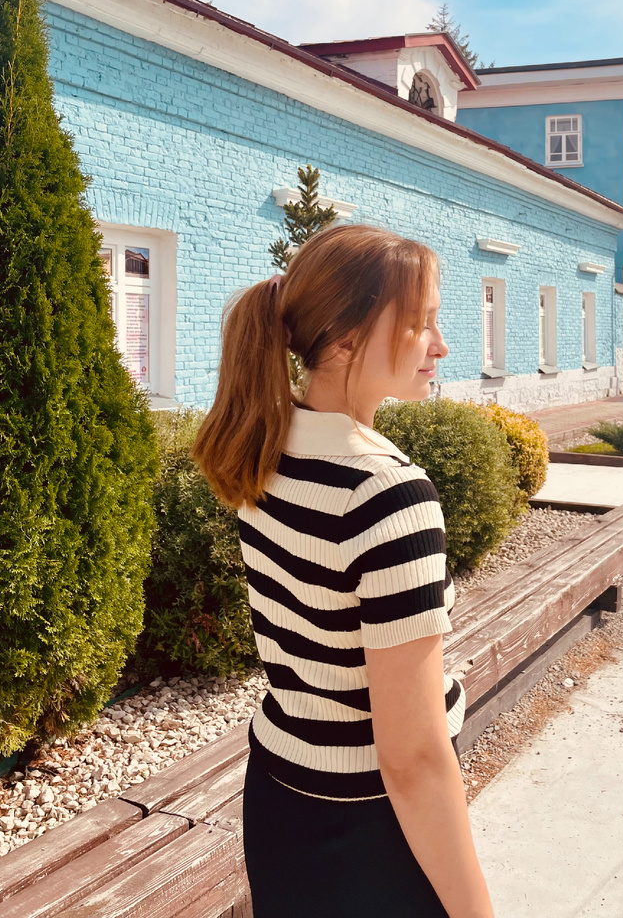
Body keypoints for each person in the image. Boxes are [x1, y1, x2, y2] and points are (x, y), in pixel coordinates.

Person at [193, 224, 495, 918]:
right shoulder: (387, 493)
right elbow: (413, 759)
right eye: (420, 323)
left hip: (278, 798)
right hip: (369, 832)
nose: (441, 345)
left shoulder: (265, 450)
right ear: (347, 340)